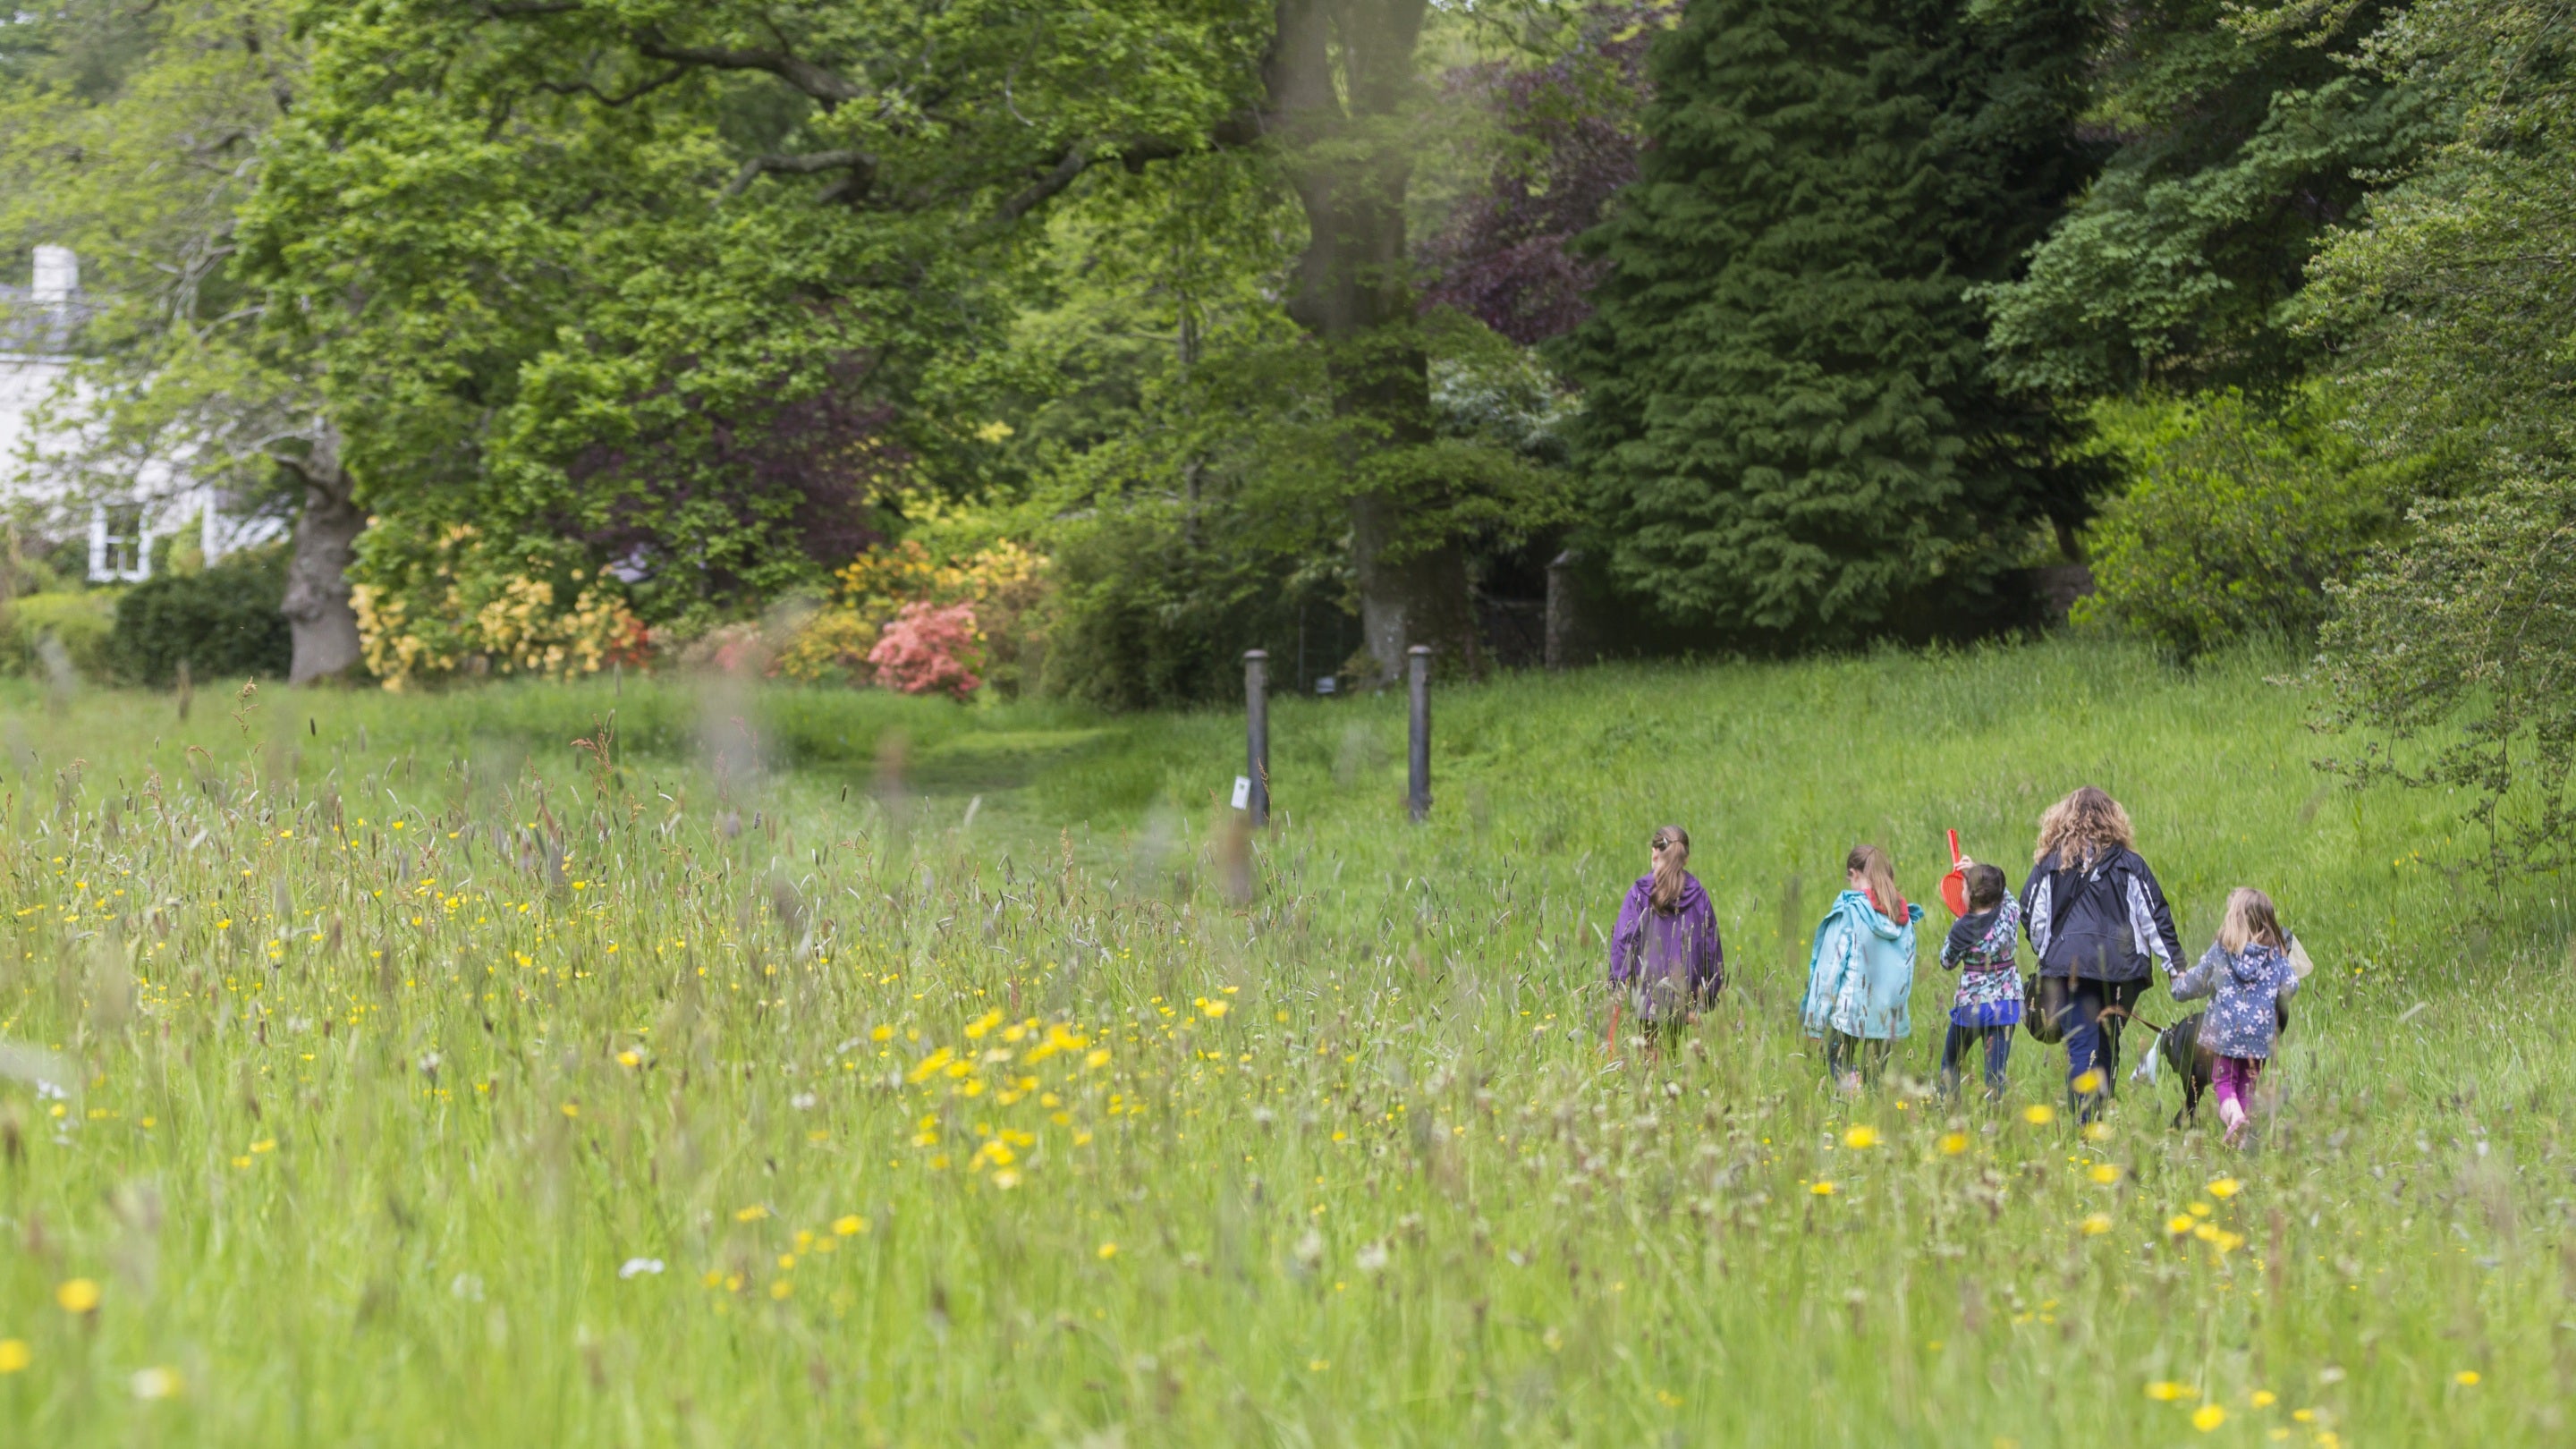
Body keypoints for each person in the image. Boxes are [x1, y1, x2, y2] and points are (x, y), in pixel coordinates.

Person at [2019, 787, 2182, 1121]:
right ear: (2113, 820)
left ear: (2063, 820)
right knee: (2107, 1042)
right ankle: (2095, 1121)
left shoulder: (2051, 865)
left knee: (2083, 1043)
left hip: (2069, 968)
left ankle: (2085, 1127)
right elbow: (2155, 916)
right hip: (2122, 971)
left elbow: (2033, 916)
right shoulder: (2130, 865)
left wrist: (2048, 951)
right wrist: (2175, 966)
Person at [2169, 887, 2301, 1147]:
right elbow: (2291, 986)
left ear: (2234, 918)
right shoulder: (2276, 954)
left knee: (2224, 1082)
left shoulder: (2222, 950)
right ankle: (2243, 1139)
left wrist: (2177, 986)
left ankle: (2236, 1119)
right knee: (2247, 1086)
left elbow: (2196, 983)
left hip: (2225, 1036)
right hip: (2260, 1039)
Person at [1801, 844, 1921, 1090]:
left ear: (1854, 874)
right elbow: (1907, 973)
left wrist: (1815, 1022)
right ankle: (1867, 1104)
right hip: (1887, 1018)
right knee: (1875, 1080)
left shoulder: (1850, 912)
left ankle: (1851, 1098)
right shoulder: (1903, 918)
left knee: (1838, 1064)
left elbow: (1829, 971)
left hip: (1850, 1014)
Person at [1608, 826, 1724, 1030]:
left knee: (1649, 1047)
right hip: (1684, 997)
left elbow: (1624, 941)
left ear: (1655, 852)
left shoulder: (1640, 893)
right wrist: (1709, 994)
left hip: (1646, 998)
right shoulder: (1699, 897)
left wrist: (1617, 984)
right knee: (1671, 1048)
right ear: (1686, 859)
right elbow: (1711, 948)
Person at [1937, 861, 2021, 1100]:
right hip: (2005, 1005)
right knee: (1995, 1074)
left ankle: (1948, 1110)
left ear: (1972, 896)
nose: (1961, 893)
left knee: (1951, 1062)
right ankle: (1995, 1118)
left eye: (1964, 888)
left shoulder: (1962, 929)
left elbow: (1947, 961)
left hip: (1971, 1007)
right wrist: (1976, 869)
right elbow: (2010, 899)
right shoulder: (2008, 915)